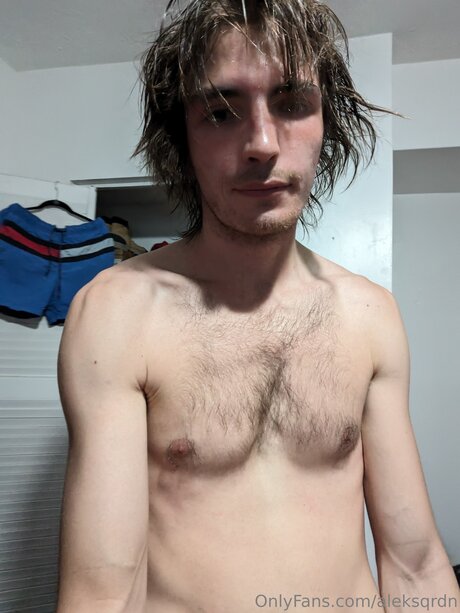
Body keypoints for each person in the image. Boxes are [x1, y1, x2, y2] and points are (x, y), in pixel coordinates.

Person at [55, 0, 459, 611]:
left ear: (326, 121)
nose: (262, 144)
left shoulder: (371, 315)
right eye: (221, 112)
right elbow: (103, 592)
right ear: (183, 137)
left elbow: (416, 564)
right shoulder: (115, 313)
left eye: (292, 103)